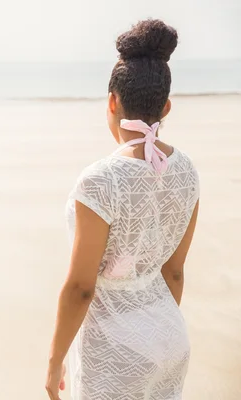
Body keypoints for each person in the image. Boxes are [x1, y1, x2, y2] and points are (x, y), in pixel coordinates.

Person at [45, 19, 200, 400]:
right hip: (170, 337)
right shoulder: (187, 171)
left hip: (114, 348)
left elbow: (82, 288)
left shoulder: (101, 180)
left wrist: (54, 361)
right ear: (165, 106)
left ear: (113, 101)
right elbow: (174, 272)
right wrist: (155, 329)